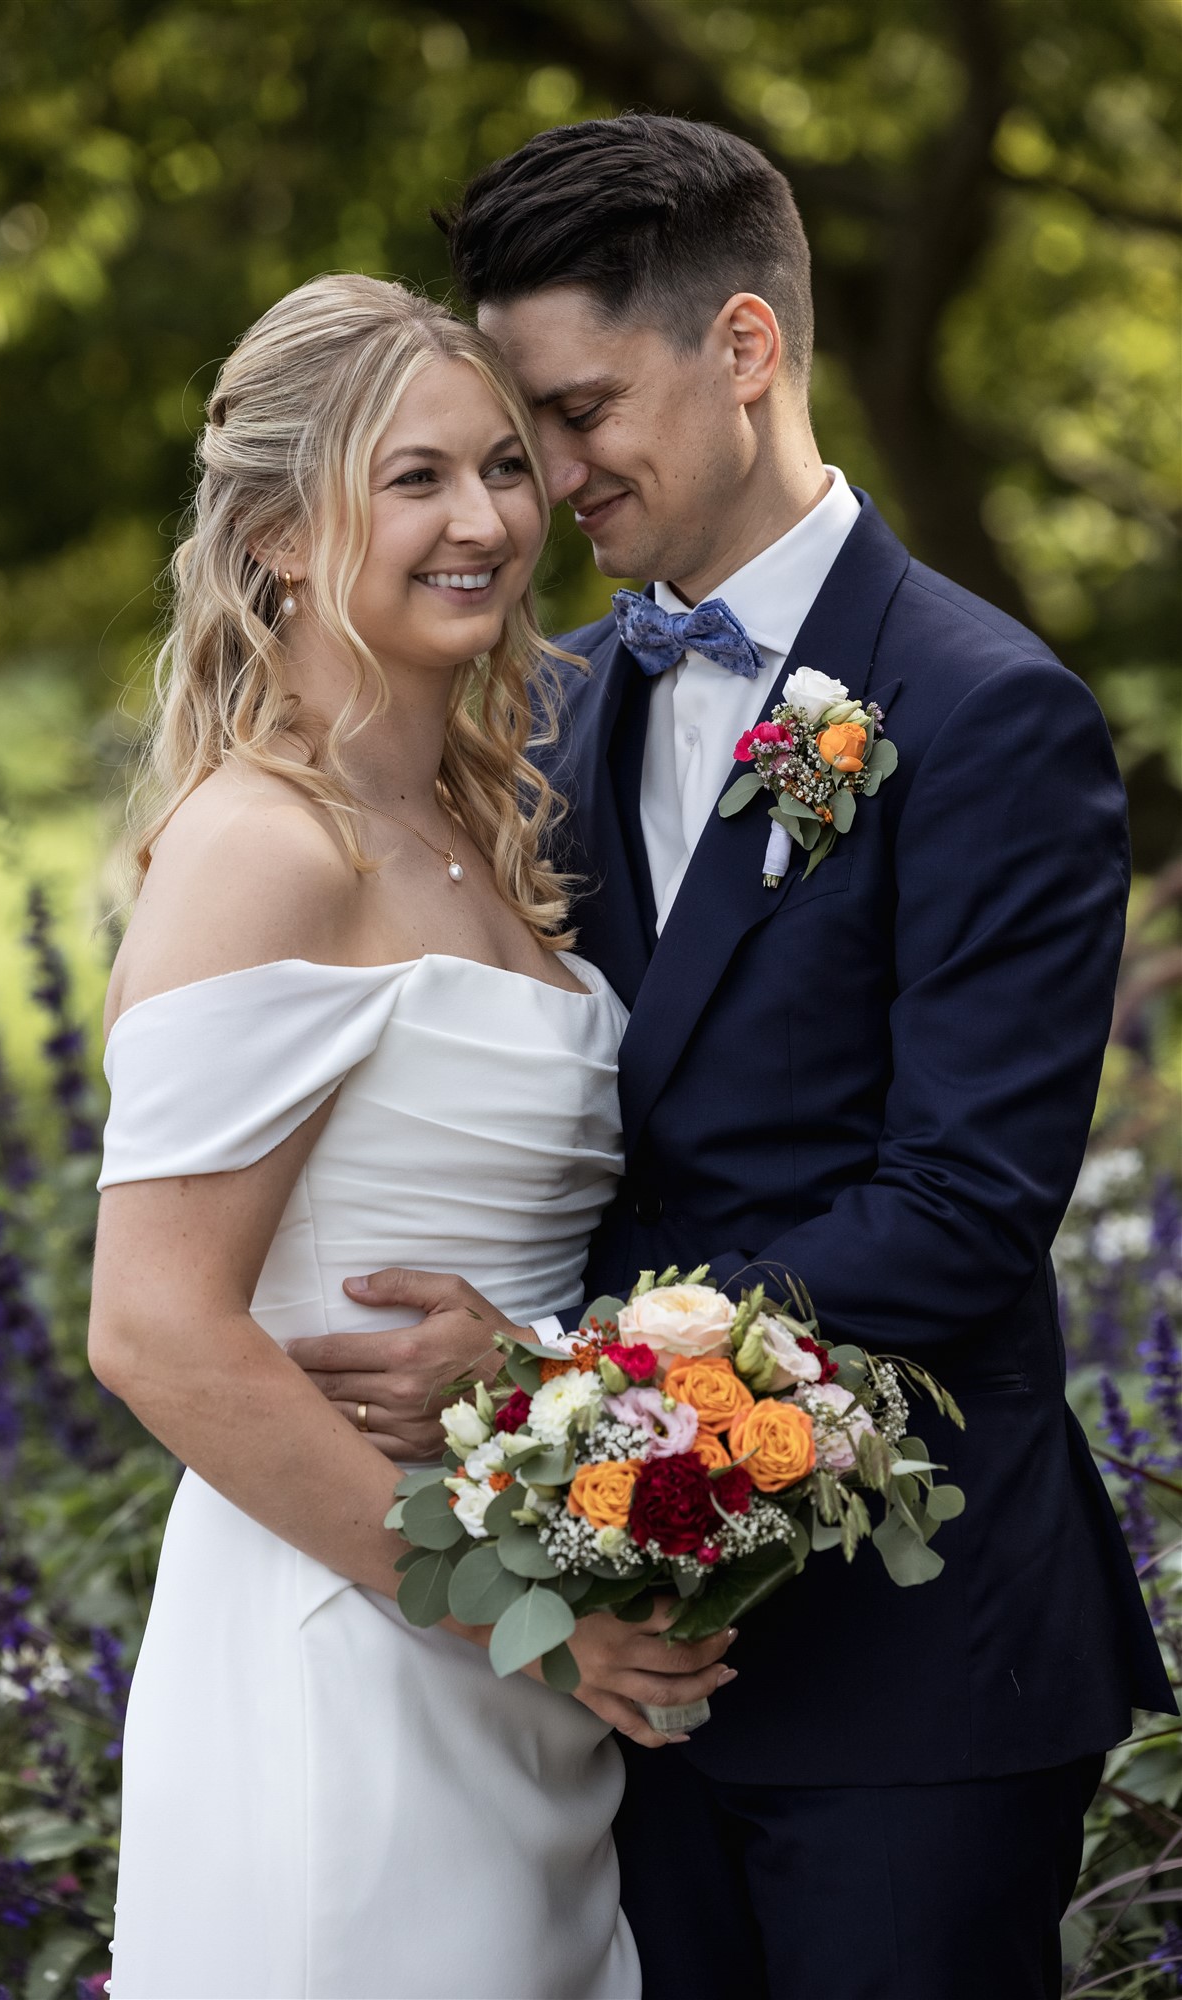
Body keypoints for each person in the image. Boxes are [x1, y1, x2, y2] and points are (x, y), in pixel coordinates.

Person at [287, 118, 1176, 1998]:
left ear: (745, 348)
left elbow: (956, 1212)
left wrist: (541, 1375)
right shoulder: (547, 708)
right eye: (521, 431)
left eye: (579, 413)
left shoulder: (988, 713)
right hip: (602, 1672)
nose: (546, 483)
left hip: (908, 1670)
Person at [87, 272, 737, 2000]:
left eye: (504, 467)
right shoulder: (265, 846)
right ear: (278, 537)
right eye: (414, 479)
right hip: (348, 1650)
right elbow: (155, 1326)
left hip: (518, 1679)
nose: (486, 521)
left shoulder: (477, 821)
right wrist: (525, 1614)